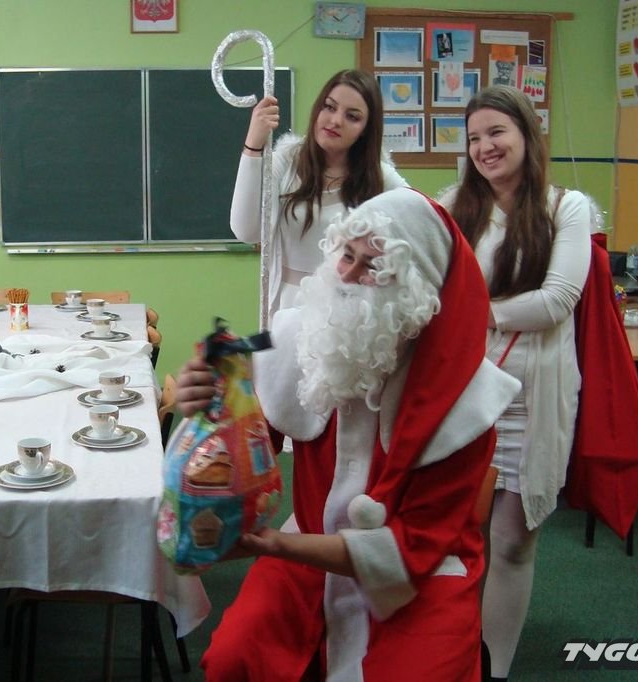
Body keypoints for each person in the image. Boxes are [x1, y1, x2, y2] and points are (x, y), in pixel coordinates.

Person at [178, 187, 521, 680]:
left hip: (421, 573)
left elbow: (412, 548)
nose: (348, 275)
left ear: (417, 291)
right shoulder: (297, 337)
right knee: (236, 658)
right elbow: (234, 419)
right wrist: (205, 395)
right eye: (346, 255)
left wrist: (275, 546)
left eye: (373, 266)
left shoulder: (467, 403)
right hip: (307, 546)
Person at [439, 85, 592, 681]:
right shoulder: (453, 208)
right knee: (458, 533)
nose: (485, 147)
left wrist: (472, 310)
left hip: (534, 398)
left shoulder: (565, 209)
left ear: (527, 134)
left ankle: (493, 668)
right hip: (464, 396)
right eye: (474, 138)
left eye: (496, 132)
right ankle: (452, 655)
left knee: (512, 540)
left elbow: (557, 301)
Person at [230, 69, 409, 319]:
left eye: (352, 116)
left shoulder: (380, 178)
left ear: (366, 129)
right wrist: (253, 145)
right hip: (286, 311)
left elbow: (425, 223)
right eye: (329, 107)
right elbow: (246, 231)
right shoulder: (286, 162)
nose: (335, 120)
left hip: (348, 316)